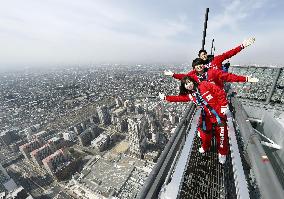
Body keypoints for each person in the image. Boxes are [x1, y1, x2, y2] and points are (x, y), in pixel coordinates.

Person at [159, 76, 230, 164]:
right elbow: (179, 98)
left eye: (189, 82)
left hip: (218, 114)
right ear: (184, 87)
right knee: (204, 134)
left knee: (222, 135)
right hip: (206, 117)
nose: (189, 85)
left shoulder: (204, 85)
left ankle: (222, 153)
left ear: (193, 81)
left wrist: (224, 105)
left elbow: (219, 91)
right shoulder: (191, 96)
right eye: (186, 84)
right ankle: (205, 146)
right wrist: (166, 97)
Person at [164, 37, 255, 76]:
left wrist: (242, 46)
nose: (204, 56)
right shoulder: (200, 66)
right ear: (199, 57)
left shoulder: (216, 59)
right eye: (201, 55)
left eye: (204, 54)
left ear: (207, 55)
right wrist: (173, 74)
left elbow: (229, 53)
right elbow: (188, 75)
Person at [166, 58, 259, 90]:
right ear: (194, 68)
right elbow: (184, 77)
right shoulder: (194, 75)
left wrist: (245, 79)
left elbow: (228, 77)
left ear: (204, 65)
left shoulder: (212, 72)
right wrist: (173, 75)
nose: (199, 67)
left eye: (200, 64)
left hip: (216, 96)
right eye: (196, 66)